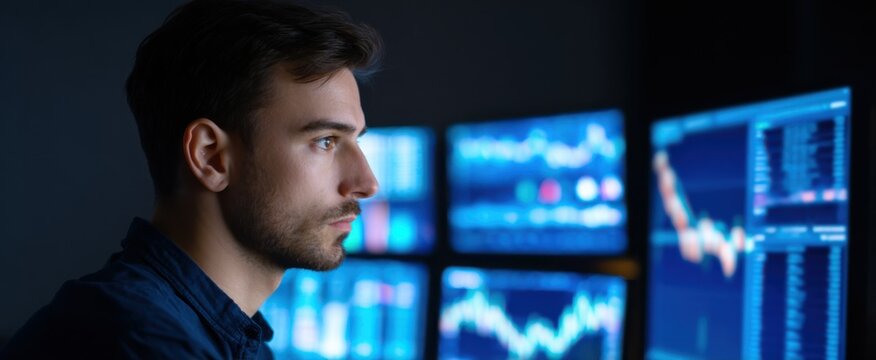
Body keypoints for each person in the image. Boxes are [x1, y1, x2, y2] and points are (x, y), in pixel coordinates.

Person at [0, 0, 381, 358]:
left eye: (355, 141)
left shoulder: (225, 337)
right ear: (210, 157)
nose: (366, 182)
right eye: (326, 141)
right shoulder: (137, 341)